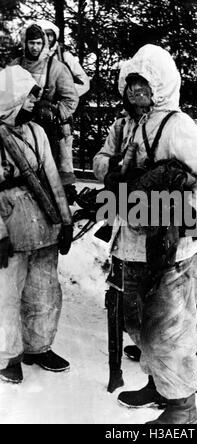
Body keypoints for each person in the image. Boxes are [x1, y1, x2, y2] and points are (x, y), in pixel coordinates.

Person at [93, 44, 197, 424]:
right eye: (132, 85)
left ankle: (182, 409)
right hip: (134, 241)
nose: (136, 93)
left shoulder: (176, 126)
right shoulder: (128, 126)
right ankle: (161, 384)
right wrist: (112, 170)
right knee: (138, 321)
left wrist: (189, 219)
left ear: (161, 87)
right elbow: (104, 162)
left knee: (168, 328)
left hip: (173, 249)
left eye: (144, 86)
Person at [0, 65, 73, 385]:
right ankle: (7, 355)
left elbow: (52, 178)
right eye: (27, 95)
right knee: (6, 292)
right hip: (7, 220)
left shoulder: (36, 132)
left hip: (42, 217)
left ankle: (38, 346)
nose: (33, 100)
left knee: (44, 288)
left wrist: (65, 220)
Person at [11, 23, 79, 193]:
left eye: (39, 43)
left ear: (44, 44)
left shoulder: (56, 68)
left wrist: (55, 112)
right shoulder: (15, 65)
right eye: (31, 43)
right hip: (20, 125)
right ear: (25, 43)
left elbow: (70, 99)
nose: (35, 47)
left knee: (50, 169)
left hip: (50, 128)